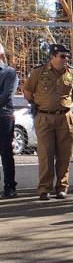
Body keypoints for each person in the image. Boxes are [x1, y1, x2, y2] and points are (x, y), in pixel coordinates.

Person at [22, 44, 73, 200]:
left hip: (65, 118)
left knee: (64, 154)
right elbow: (27, 91)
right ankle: (44, 189)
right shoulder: (38, 72)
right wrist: (38, 104)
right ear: (52, 57)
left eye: (67, 56)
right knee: (45, 154)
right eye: (62, 56)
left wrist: (64, 106)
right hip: (44, 117)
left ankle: (61, 188)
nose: (66, 59)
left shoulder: (72, 74)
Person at [0, 42, 17, 198]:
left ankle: (10, 187)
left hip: (3, 117)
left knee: (6, 153)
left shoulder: (9, 72)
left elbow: (7, 95)